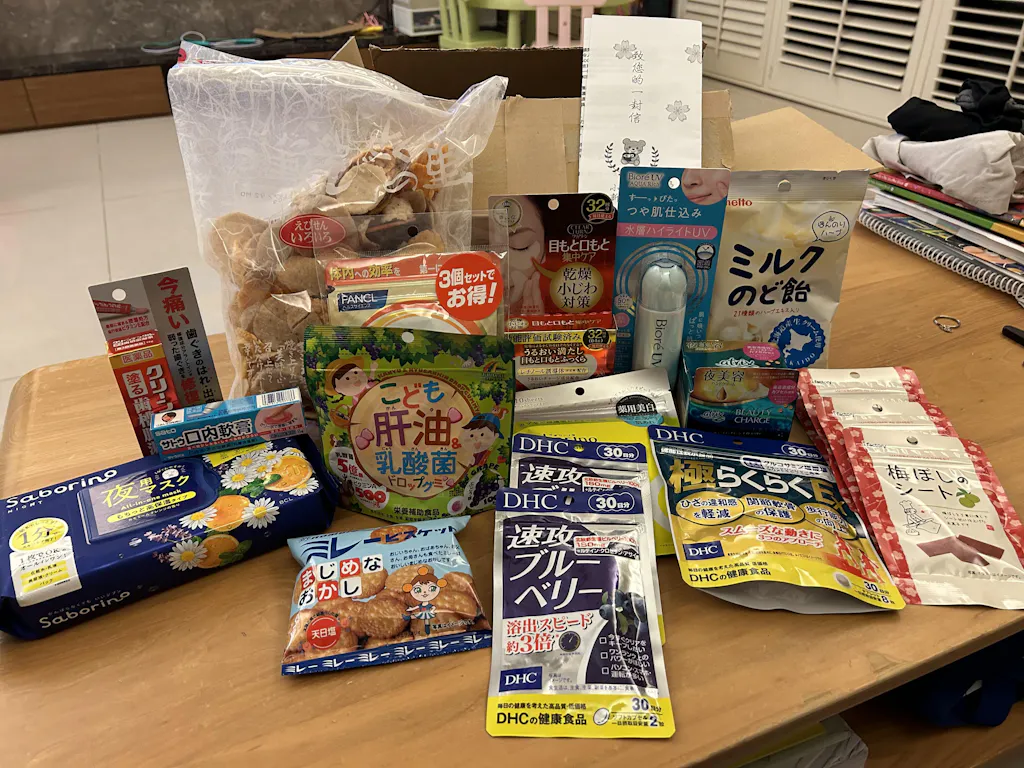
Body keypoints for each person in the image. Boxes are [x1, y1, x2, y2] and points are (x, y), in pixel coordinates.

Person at [402, 567, 449, 635]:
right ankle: (407, 617)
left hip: (427, 613)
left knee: (425, 620)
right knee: (419, 617)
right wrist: (411, 609)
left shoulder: (433, 602)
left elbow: (433, 607)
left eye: (432, 588)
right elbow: (417, 606)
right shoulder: (420, 603)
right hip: (423, 612)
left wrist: (433, 610)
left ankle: (427, 629)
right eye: (418, 590)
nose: (424, 592)